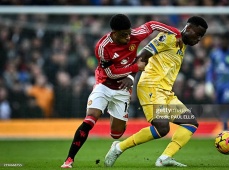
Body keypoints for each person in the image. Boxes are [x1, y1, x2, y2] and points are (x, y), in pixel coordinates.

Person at [61, 13, 183, 168]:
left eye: (128, 33)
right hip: (104, 85)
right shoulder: (103, 46)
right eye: (124, 35)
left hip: (122, 91)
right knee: (91, 118)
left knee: (116, 134)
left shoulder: (134, 35)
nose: (127, 37)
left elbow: (152, 25)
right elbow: (110, 73)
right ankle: (69, 160)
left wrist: (176, 33)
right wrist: (135, 67)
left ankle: (113, 116)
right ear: (114, 33)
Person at [104, 16, 208, 167]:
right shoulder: (168, 37)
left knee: (190, 123)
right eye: (197, 34)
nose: (198, 39)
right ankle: (118, 147)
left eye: (201, 37)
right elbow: (142, 56)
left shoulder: (181, 44)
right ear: (189, 29)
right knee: (162, 128)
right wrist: (131, 79)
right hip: (151, 87)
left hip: (165, 92)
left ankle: (164, 158)